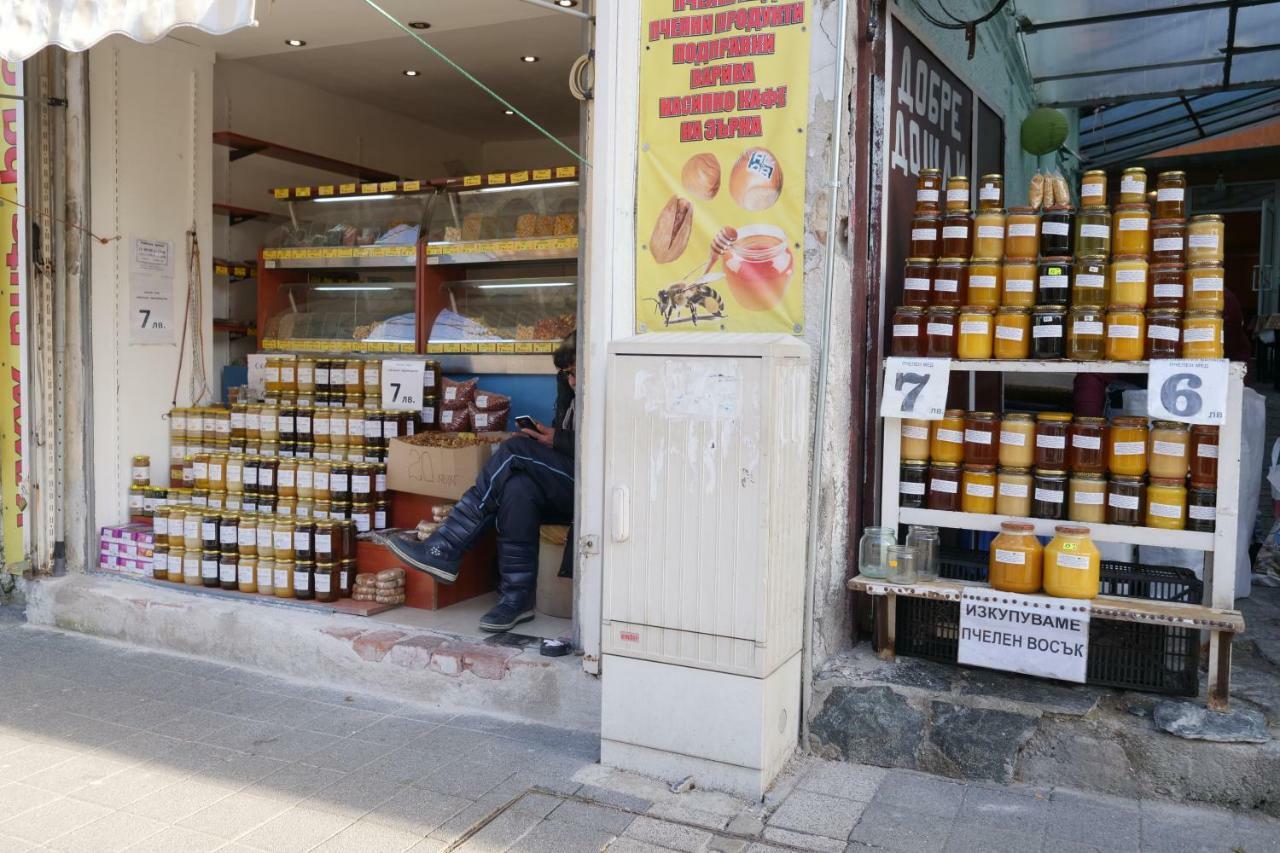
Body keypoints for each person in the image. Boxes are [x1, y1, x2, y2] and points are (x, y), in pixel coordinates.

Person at [388, 332, 576, 632]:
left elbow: (607, 446)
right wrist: (544, 438)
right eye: (567, 373)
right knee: (518, 488)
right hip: (565, 477)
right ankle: (516, 599)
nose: (572, 380)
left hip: (592, 488)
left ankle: (447, 545)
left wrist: (559, 439)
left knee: (513, 451)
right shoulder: (569, 389)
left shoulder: (611, 388)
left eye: (577, 372)